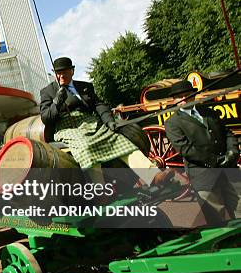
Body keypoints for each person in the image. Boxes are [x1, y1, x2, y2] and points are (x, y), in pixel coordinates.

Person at [40, 57, 156, 183]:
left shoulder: (85, 86)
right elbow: (46, 117)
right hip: (68, 128)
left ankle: (153, 176)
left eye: (65, 72)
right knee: (86, 146)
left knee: (119, 139)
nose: (61, 76)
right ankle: (99, 190)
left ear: (72, 71)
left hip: (92, 123)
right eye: (58, 73)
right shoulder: (48, 91)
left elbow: (99, 105)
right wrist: (56, 103)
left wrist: (109, 121)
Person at [164, 80, 240, 221]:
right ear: (173, 100)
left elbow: (227, 133)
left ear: (194, 95)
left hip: (230, 171)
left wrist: (232, 152)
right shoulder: (172, 123)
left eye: (188, 95)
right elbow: (185, 149)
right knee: (218, 221)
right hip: (204, 177)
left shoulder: (209, 112)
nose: (184, 99)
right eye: (179, 97)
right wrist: (216, 160)